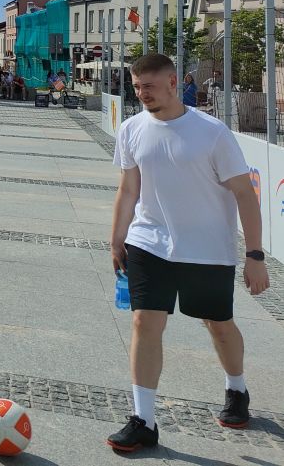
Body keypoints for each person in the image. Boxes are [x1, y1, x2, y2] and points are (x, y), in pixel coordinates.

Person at [107, 53, 269, 453]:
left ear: (173, 82)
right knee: (145, 322)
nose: (141, 94)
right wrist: (117, 239)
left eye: (149, 86)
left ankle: (237, 389)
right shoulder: (131, 129)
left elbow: (244, 194)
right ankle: (143, 419)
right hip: (149, 242)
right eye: (137, 86)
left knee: (218, 325)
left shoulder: (211, 133)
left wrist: (255, 255)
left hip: (206, 250)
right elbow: (128, 189)